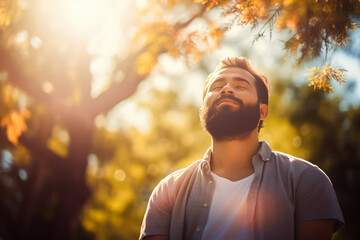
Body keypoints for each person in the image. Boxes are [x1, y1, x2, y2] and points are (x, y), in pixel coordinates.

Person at [139, 57, 344, 240]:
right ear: (203, 110)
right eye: (218, 85)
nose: (226, 89)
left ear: (262, 111)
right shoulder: (168, 191)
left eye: (241, 85)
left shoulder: (306, 180)